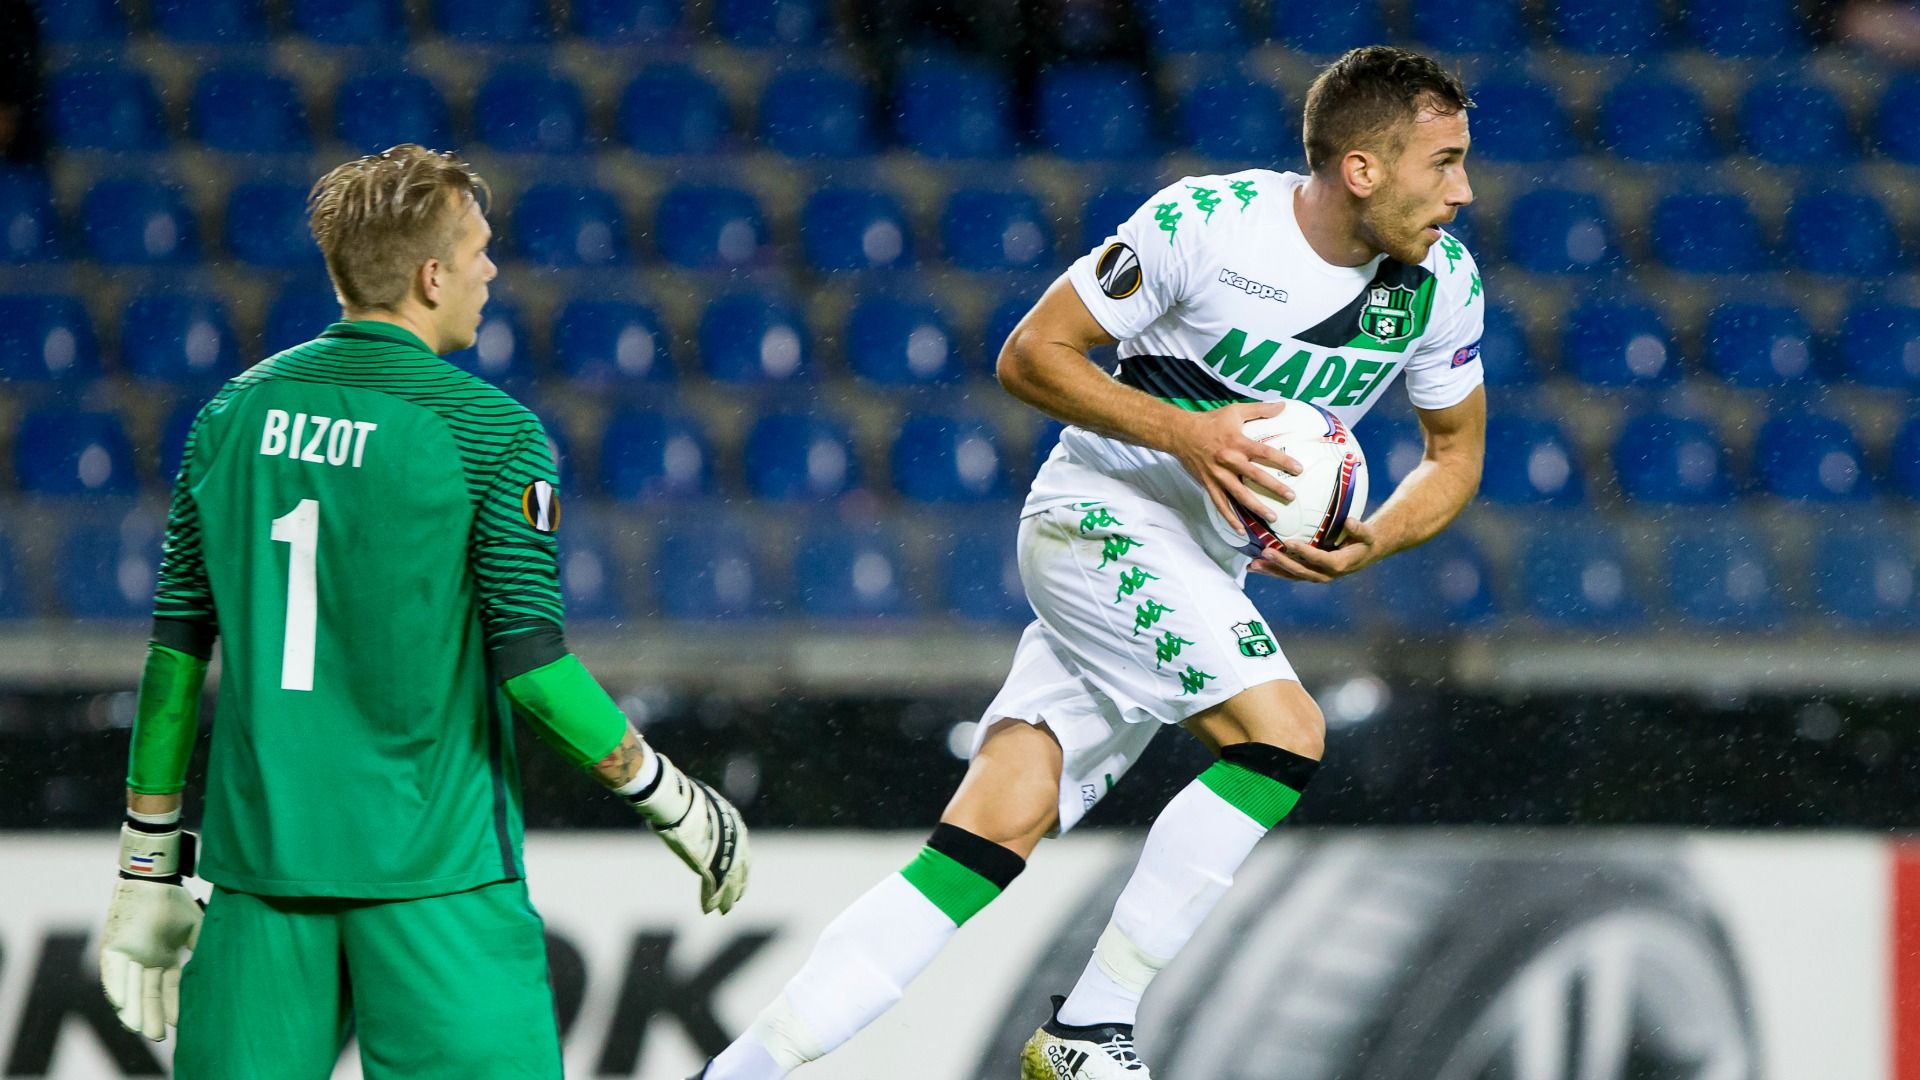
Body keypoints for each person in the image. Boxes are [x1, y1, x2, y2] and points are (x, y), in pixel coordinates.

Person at [696, 44, 1486, 1080]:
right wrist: (1186, 433)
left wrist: (1374, 536)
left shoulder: (1440, 287)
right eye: (1445, 162)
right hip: (1098, 517)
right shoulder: (1204, 225)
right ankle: (1093, 1026)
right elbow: (1032, 354)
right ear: (1363, 169)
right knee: (1284, 737)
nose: (1464, 193)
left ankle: (732, 1074)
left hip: (1201, 572)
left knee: (983, 841)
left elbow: (1455, 452)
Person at [95, 144, 749, 1080]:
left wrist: (147, 862)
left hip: (260, 881)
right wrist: (669, 797)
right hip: (437, 884)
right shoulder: (488, 431)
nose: (491, 269)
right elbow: (534, 669)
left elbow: (173, 658)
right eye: (479, 250)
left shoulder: (230, 416)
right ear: (432, 274)